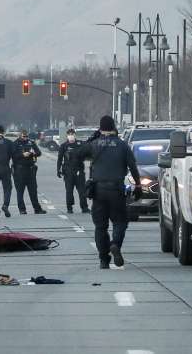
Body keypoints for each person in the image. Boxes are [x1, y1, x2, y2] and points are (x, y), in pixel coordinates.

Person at [77, 115, 140, 269]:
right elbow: (133, 166)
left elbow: (78, 154)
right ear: (114, 128)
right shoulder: (123, 145)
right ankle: (115, 244)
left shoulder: (94, 144)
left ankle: (103, 260)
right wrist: (138, 186)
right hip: (117, 190)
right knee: (120, 221)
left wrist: (93, 138)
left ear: (100, 128)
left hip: (98, 190)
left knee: (100, 227)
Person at [56, 128, 89, 214]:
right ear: (67, 136)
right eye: (69, 134)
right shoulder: (64, 146)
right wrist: (58, 170)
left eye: (72, 134)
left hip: (79, 170)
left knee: (82, 190)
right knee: (69, 191)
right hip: (68, 171)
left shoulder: (80, 144)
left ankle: (84, 207)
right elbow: (59, 159)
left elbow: (87, 152)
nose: (71, 136)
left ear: (75, 135)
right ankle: (69, 208)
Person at [12, 130, 45, 214]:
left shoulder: (31, 142)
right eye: (23, 136)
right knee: (20, 191)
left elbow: (39, 152)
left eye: (26, 136)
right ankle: (22, 209)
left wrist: (32, 154)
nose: (25, 138)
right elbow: (13, 156)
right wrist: (22, 155)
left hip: (30, 169)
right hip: (20, 170)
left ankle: (37, 208)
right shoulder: (15, 143)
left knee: (33, 190)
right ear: (20, 136)